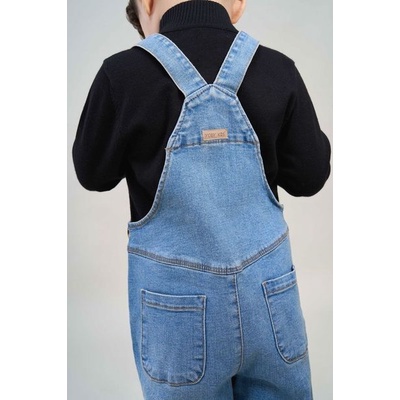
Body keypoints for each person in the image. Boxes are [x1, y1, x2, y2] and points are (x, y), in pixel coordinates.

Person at [72, 0, 331, 398]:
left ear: (146, 4)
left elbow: (93, 173)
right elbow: (310, 177)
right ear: (238, 6)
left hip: (175, 313)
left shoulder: (121, 74)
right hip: (270, 301)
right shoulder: (278, 69)